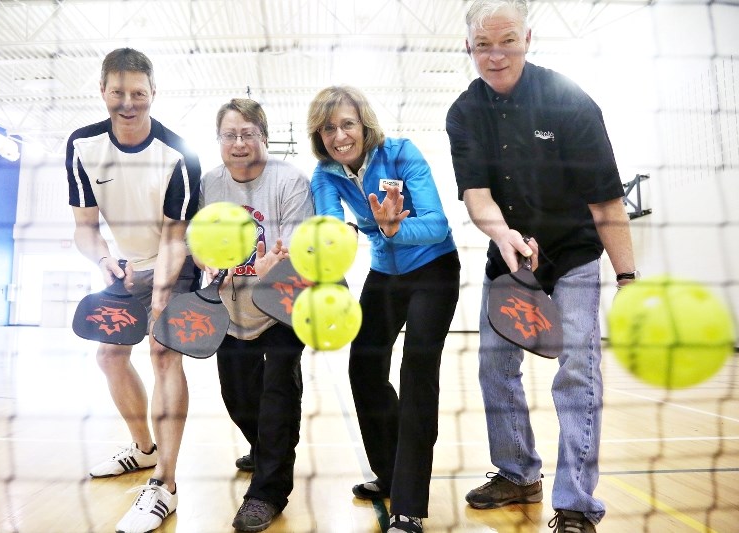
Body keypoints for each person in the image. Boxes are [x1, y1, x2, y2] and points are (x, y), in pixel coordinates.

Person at [445, 1, 638, 531]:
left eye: (506, 40)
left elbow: (606, 204)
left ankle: (576, 503)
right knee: (493, 368)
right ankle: (516, 472)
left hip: (572, 252)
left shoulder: (569, 102)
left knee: (578, 370)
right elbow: (477, 195)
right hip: (507, 256)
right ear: (468, 47)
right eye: (483, 44)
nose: (495, 54)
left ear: (527, 38)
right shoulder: (464, 113)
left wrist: (627, 279)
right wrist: (501, 233)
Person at [306, 86, 461, 533]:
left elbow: (436, 223)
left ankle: (409, 504)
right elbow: (331, 233)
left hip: (433, 267)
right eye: (329, 128)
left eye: (347, 124)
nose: (339, 135)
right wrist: (329, 269)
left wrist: (394, 227)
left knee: (416, 371)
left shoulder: (400, 153)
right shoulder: (326, 175)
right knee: (364, 368)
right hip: (384, 275)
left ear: (364, 124)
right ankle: (391, 472)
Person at [66, 48, 201, 533]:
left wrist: (162, 290)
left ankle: (165, 484)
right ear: (103, 91)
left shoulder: (178, 153)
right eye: (118, 93)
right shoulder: (82, 145)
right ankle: (143, 451)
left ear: (153, 94)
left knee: (163, 352)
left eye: (138, 94)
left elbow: (174, 236)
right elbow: (85, 226)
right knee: (109, 356)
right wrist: (101, 259)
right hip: (123, 267)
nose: (128, 103)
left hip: (175, 260)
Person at [198, 98, 313, 532]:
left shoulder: (289, 181)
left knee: (276, 396)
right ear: (220, 141)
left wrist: (278, 264)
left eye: (248, 134)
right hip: (232, 309)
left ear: (264, 137)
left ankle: (267, 491)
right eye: (231, 135)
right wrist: (204, 259)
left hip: (283, 304)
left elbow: (300, 247)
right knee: (237, 396)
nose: (240, 143)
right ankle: (267, 449)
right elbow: (199, 239)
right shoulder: (209, 184)